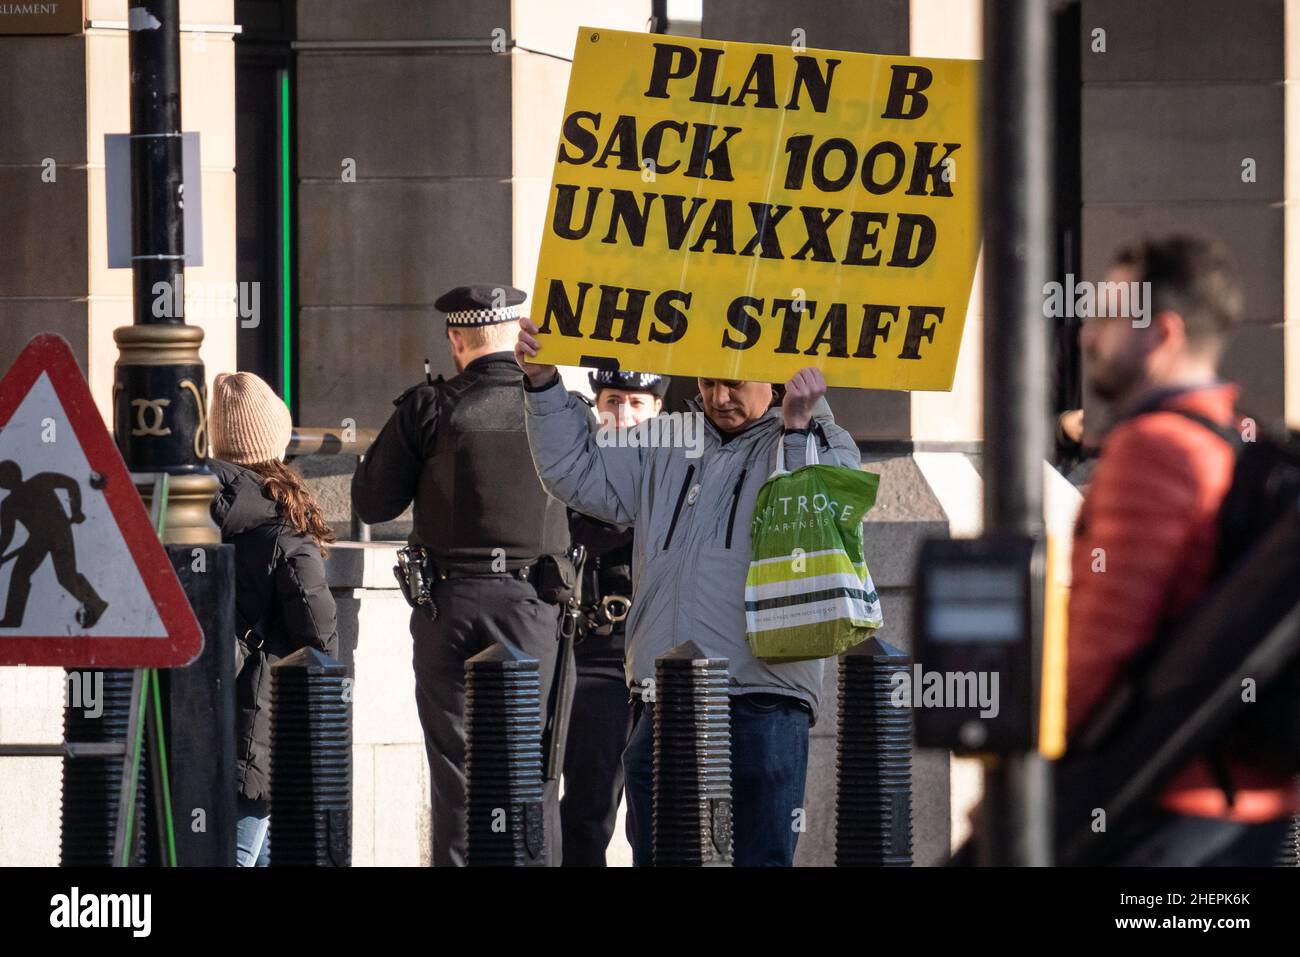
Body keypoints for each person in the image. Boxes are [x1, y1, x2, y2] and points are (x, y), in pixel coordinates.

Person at [515, 318, 860, 867]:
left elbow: (822, 517)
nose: (719, 397)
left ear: (776, 375)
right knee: (661, 855)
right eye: (705, 382)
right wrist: (542, 384)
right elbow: (579, 472)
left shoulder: (822, 438)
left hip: (762, 695)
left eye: (735, 383)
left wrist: (797, 430)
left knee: (757, 858)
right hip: (666, 695)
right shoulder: (668, 441)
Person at [1067, 234, 1300, 865]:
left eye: (1109, 314)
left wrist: (1032, 779)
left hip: (1158, 802)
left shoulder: (1152, 448)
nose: (1088, 336)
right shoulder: (1240, 439)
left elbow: (1101, 651)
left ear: (1161, 334)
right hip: (1249, 805)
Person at [351, 285, 572, 867]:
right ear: (517, 331)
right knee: (535, 766)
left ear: (455, 339)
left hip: (447, 606)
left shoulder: (429, 407)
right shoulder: (555, 406)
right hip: (533, 606)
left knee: (455, 771)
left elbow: (371, 502)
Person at [207, 371, 339, 868]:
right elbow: (322, 640)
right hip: (260, 729)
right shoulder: (283, 528)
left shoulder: (176, 511)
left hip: (188, 720)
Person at [562, 369, 668, 867]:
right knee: (589, 808)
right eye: (612, 401)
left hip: (666, 658)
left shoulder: (681, 468)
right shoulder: (573, 468)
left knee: (662, 816)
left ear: (658, 412)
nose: (623, 415)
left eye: (636, 403)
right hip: (597, 654)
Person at [0, 461, 107, 629]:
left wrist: (76, 510)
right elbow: (7, 535)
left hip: (59, 532)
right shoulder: (7, 505)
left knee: (66, 577)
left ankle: (96, 606)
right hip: (37, 539)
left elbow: (71, 483)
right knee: (20, 574)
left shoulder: (40, 480)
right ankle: (13, 619)